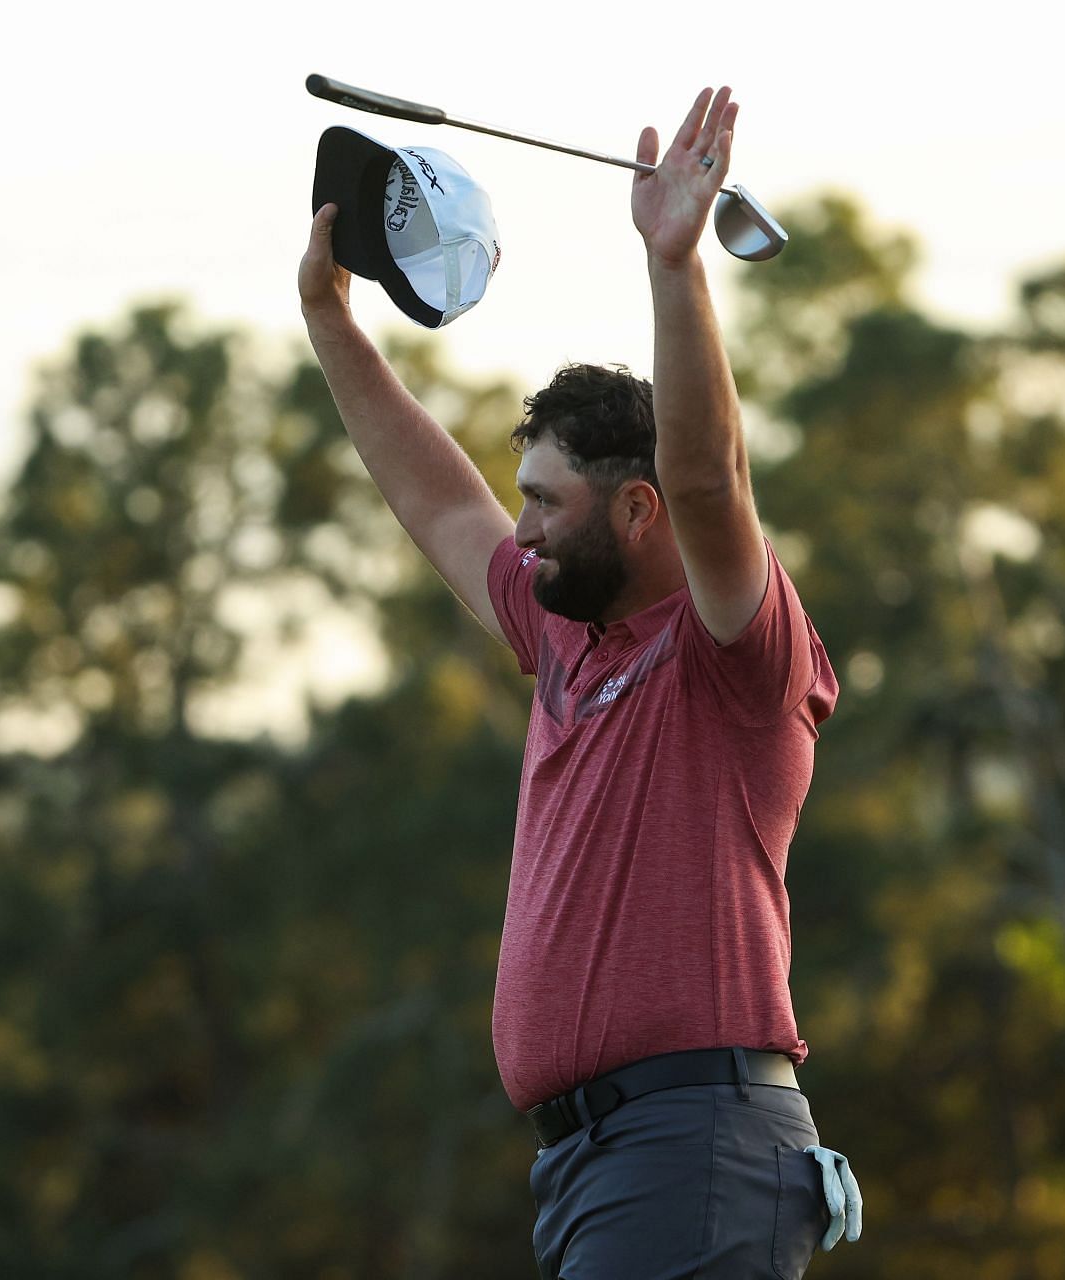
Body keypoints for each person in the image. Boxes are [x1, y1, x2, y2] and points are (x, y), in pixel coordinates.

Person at [297, 86, 862, 1278]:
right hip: (600, 1163)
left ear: (636, 509)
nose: (524, 531)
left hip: (693, 1142)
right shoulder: (565, 632)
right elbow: (437, 501)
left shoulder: (729, 655)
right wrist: (332, 321)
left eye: (548, 502)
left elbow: (710, 480)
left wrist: (674, 265)